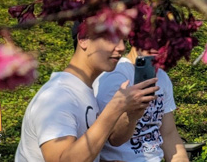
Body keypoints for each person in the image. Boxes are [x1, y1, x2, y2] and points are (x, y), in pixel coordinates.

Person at [16, 22, 158, 162]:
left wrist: (131, 115)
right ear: (83, 39)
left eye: (124, 40)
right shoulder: (57, 97)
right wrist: (116, 107)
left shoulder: (83, 91)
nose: (121, 47)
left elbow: (90, 148)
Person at [94, 46, 186, 162]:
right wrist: (131, 114)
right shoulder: (114, 76)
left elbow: (169, 134)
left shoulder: (162, 77)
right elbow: (111, 138)